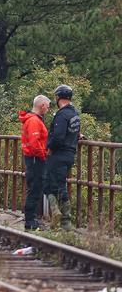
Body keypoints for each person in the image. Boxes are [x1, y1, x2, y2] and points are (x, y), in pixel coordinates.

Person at [46, 84, 81, 229]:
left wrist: (50, 148)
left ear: (58, 97)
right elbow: (73, 132)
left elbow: (58, 137)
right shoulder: (75, 114)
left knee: (58, 185)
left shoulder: (61, 115)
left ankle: (65, 221)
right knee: (51, 183)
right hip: (70, 153)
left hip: (59, 155)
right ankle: (56, 213)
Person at [19, 95, 51, 231]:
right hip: (35, 159)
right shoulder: (34, 121)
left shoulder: (34, 120)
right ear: (42, 106)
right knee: (35, 188)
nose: (48, 110)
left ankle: (31, 218)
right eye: (48, 107)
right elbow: (34, 143)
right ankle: (30, 220)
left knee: (35, 187)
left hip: (33, 158)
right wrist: (44, 154)